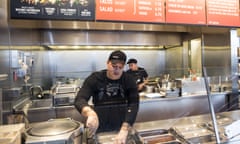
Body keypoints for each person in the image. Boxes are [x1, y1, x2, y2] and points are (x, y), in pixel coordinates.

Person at [74, 50, 139, 144]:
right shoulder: (95, 78)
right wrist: (89, 113)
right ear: (107, 63)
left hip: (121, 124)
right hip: (99, 124)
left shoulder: (128, 80)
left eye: (120, 67)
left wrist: (125, 128)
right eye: (114, 65)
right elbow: (80, 99)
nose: (116, 69)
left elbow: (133, 104)